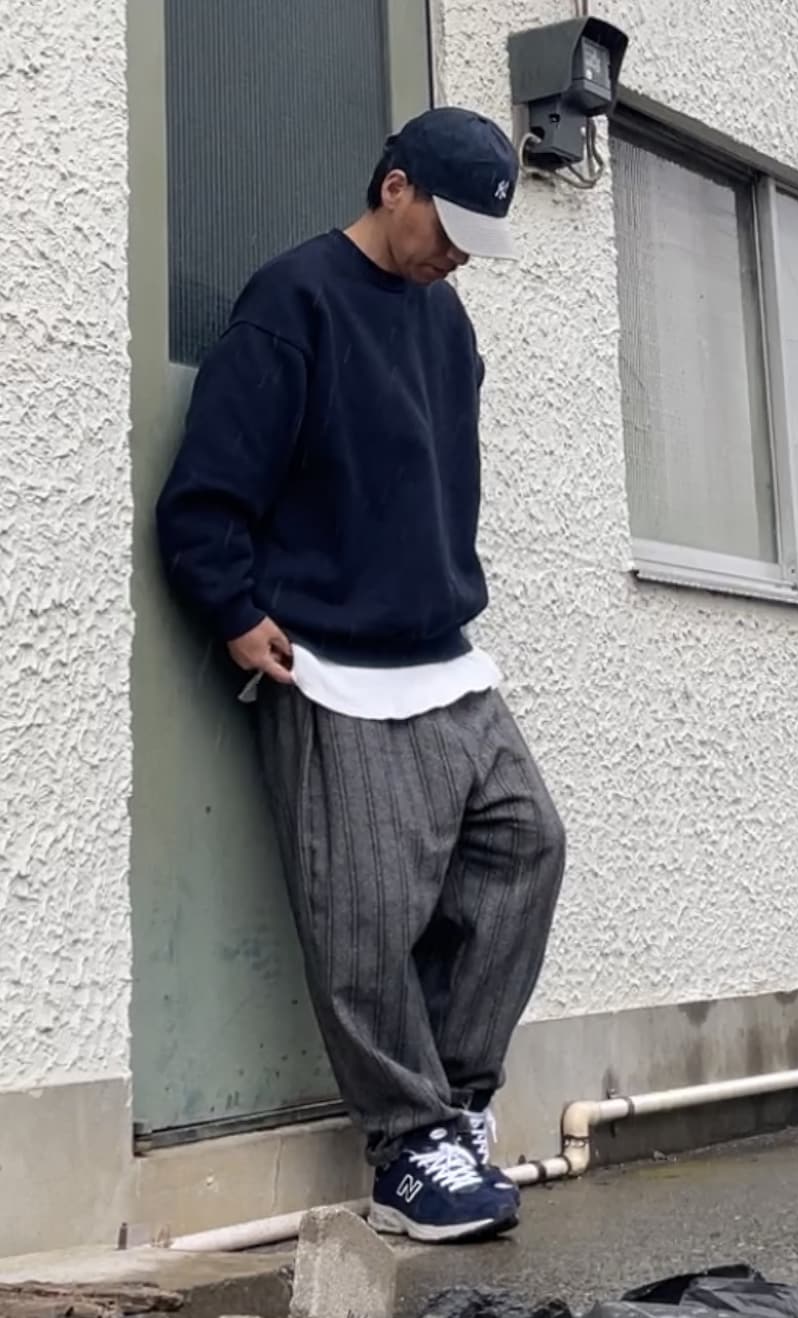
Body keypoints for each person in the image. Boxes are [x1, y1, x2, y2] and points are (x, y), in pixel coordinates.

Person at [156, 107, 566, 1244]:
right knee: (366, 911)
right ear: (395, 187)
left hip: (442, 648)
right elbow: (208, 483)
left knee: (527, 845)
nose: (457, 257)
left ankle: (455, 1104)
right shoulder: (293, 300)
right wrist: (232, 606)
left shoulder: (447, 324)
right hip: (327, 655)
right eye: (450, 228)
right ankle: (405, 1149)